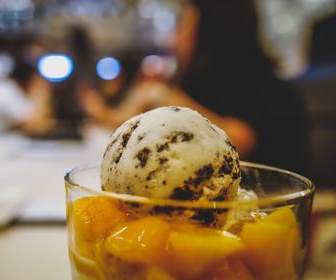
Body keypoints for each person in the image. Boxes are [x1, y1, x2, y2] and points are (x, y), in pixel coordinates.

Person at [82, 0, 309, 174]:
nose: (174, 39)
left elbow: (236, 143)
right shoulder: (204, 83)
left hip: (266, 213)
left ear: (213, 28)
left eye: (182, 25)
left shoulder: (264, 86)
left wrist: (168, 99)